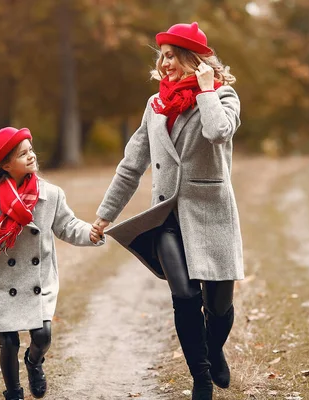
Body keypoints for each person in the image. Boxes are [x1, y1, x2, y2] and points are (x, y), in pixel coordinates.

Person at [94, 22, 243, 400]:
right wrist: (105, 214)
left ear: (195, 60)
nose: (165, 64)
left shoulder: (224, 96)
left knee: (218, 305)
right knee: (185, 295)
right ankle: (201, 379)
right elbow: (132, 164)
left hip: (211, 214)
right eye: (162, 56)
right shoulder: (155, 105)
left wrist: (206, 90)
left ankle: (214, 349)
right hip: (165, 217)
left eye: (173, 56)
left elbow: (218, 132)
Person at [0, 127, 104, 400]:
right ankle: (13, 392)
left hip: (37, 281)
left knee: (43, 336)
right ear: (6, 164)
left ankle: (35, 362)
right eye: (23, 153)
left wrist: (90, 233)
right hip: (1, 282)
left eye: (31, 150)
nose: (31, 156)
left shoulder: (50, 195)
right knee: (8, 342)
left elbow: (68, 225)